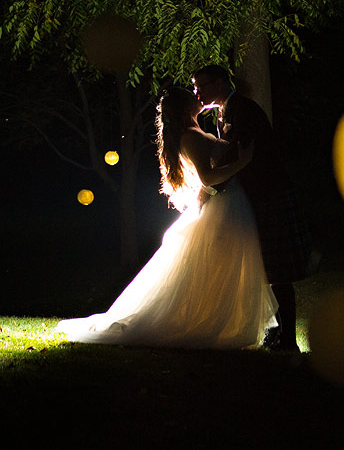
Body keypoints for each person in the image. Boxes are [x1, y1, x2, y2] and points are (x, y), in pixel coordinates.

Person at [55, 87, 278, 349]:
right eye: (192, 96)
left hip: (227, 203)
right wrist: (243, 161)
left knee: (221, 269)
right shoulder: (192, 137)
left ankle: (225, 321)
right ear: (184, 109)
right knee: (222, 267)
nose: (198, 96)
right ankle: (215, 323)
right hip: (224, 205)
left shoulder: (193, 133)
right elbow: (208, 178)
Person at [190, 64, 315, 353]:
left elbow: (242, 154)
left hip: (271, 195)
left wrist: (210, 187)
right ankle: (277, 333)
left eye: (202, 86)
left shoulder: (243, 110)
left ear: (220, 82)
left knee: (277, 271)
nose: (197, 93)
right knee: (266, 269)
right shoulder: (227, 112)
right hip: (258, 197)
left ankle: (286, 340)